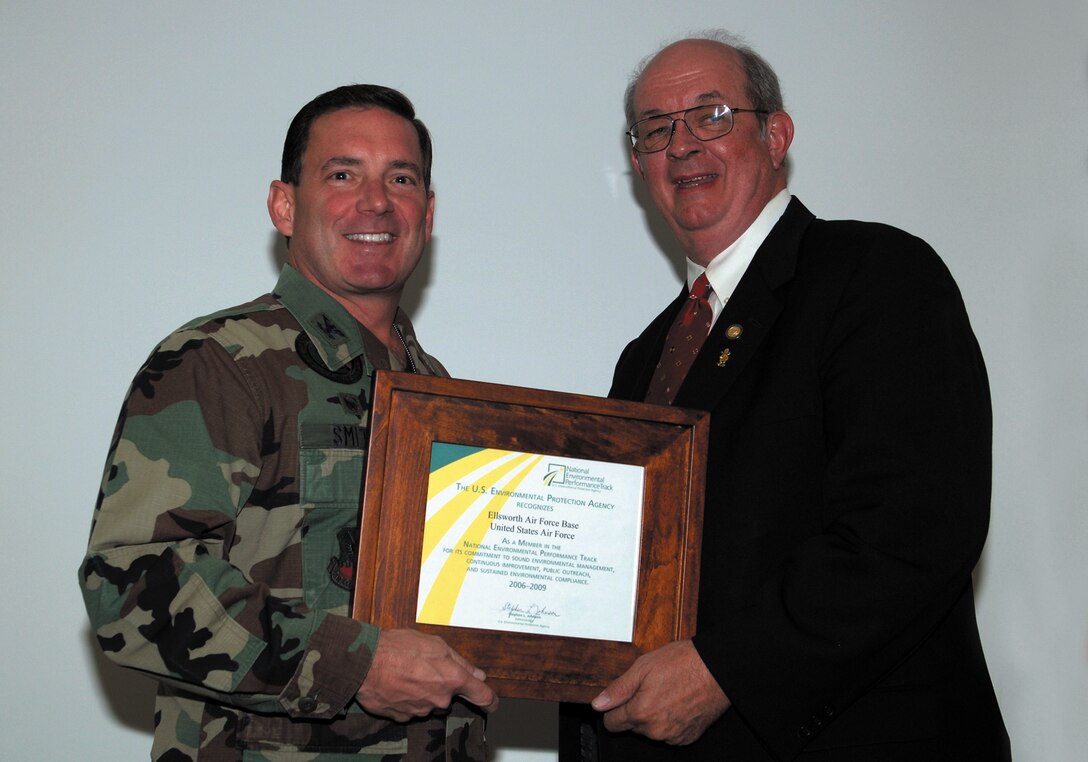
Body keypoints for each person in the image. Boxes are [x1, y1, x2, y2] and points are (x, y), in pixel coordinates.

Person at [561, 32, 1010, 760]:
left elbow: (912, 526)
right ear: (638, 162)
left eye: (711, 116)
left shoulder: (875, 275)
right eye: (655, 129)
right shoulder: (645, 357)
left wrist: (725, 670)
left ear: (776, 135)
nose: (681, 146)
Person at [79, 84, 498, 762]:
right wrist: (354, 665)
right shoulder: (220, 363)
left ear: (427, 211)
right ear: (284, 205)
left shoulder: (439, 392)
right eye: (343, 174)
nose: (376, 201)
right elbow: (131, 587)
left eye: (402, 178)